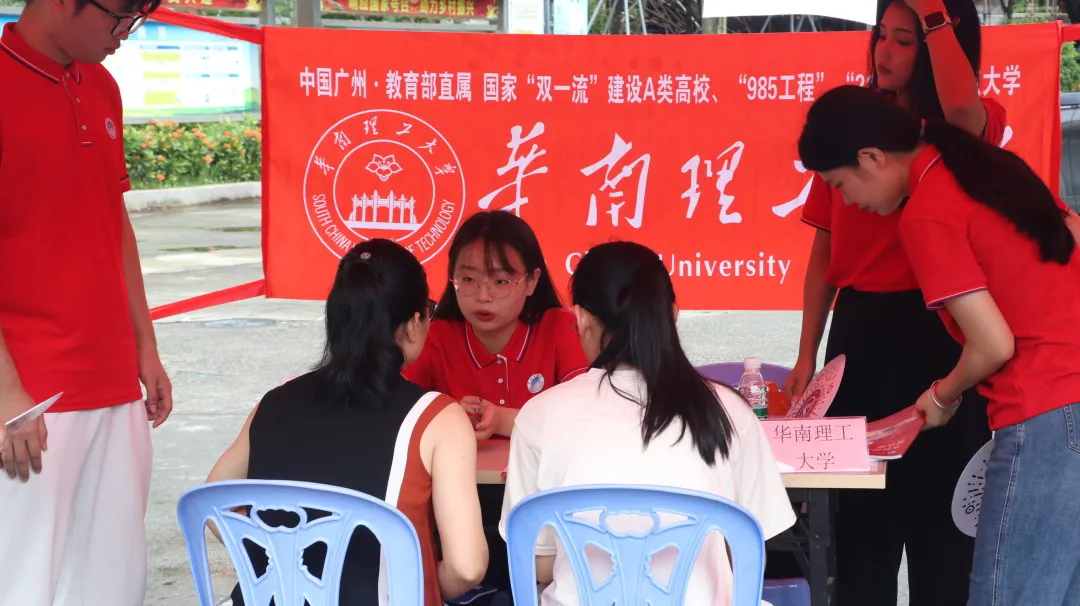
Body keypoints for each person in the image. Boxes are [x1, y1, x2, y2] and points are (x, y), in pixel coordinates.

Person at [798, 83, 1080, 606]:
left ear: (872, 157)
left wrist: (940, 396)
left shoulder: (927, 212)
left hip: (1043, 409)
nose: (848, 202)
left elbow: (992, 344)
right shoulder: (989, 168)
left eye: (839, 184)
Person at [784, 1, 999, 602]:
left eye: (905, 40)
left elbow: (963, 106)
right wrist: (805, 354)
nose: (884, 51)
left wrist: (933, 11)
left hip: (941, 335)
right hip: (856, 337)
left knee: (942, 532)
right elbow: (823, 255)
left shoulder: (952, 133)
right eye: (881, 35)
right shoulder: (851, 127)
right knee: (856, 532)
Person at [499, 241, 796, 606]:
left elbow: (537, 562)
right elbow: (748, 553)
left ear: (581, 318)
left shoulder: (539, 415)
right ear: (672, 314)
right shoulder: (729, 412)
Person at [0, 1, 173, 603]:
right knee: (23, 581)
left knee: (113, 582)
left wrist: (145, 345)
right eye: (120, 14)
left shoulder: (100, 85)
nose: (125, 33)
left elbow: (113, 219)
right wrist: (6, 392)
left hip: (114, 383)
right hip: (31, 398)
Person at [205, 239, 488, 606]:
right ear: (415, 323)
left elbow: (214, 505)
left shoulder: (273, 404)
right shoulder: (438, 418)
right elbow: (466, 567)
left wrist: (272, 565)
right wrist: (418, 585)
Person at [404, 210, 588, 600]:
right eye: (468, 279)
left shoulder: (560, 328)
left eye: (501, 281)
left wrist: (504, 419)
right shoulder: (436, 336)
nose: (482, 296)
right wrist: (446, 419)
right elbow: (400, 411)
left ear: (532, 281)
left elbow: (585, 414)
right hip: (454, 511)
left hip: (543, 510)